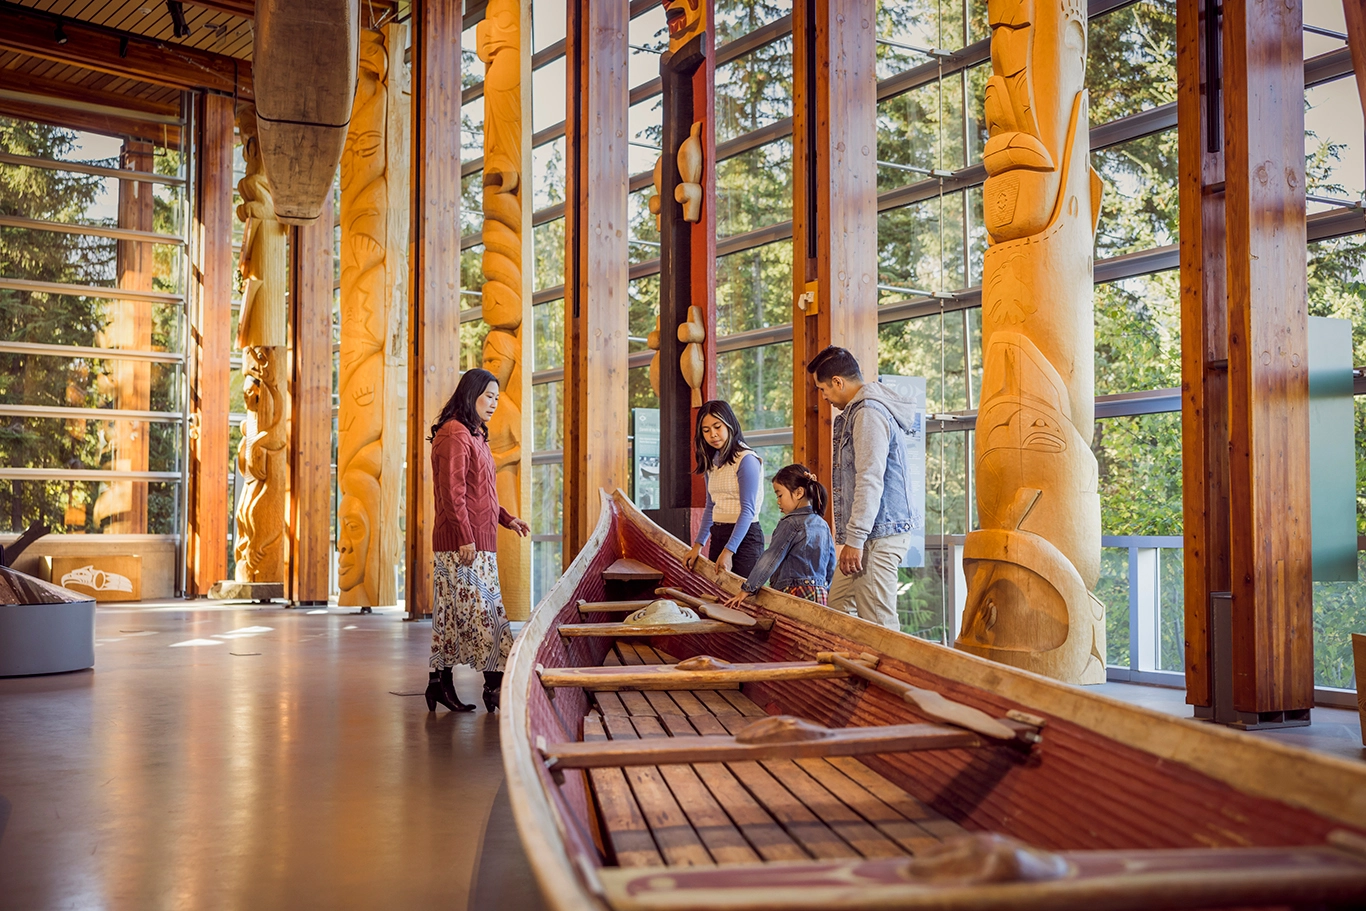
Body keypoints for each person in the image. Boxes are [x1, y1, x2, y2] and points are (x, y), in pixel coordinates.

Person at [427, 368, 531, 713]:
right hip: (462, 545)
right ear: (470, 394)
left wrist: (507, 519)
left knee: (455, 617)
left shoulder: (475, 435)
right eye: (488, 396)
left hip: (476, 543)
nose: (493, 404)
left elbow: (480, 494)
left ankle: (439, 683)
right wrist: (465, 537)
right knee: (487, 617)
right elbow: (451, 493)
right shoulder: (454, 433)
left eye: (497, 399)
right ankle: (494, 688)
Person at [806, 346, 919, 630]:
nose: (824, 397)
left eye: (823, 389)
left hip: (878, 535)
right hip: (868, 534)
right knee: (839, 610)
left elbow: (870, 477)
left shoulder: (868, 413)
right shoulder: (858, 411)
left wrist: (854, 540)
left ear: (838, 382)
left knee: (878, 623)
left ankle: (894, 675)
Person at [724, 464, 834, 607]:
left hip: (794, 593)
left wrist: (748, 588)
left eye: (780, 495)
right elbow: (831, 564)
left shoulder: (790, 523)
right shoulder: (823, 524)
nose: (778, 501)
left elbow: (771, 557)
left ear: (799, 493)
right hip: (820, 595)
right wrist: (825, 590)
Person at [682, 401, 765, 577]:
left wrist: (729, 551)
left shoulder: (747, 459)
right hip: (718, 535)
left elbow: (748, 510)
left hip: (745, 539)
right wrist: (698, 545)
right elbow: (711, 506)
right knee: (717, 596)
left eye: (717, 427)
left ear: (730, 424)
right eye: (706, 430)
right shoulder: (711, 462)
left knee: (743, 600)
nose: (713, 434)